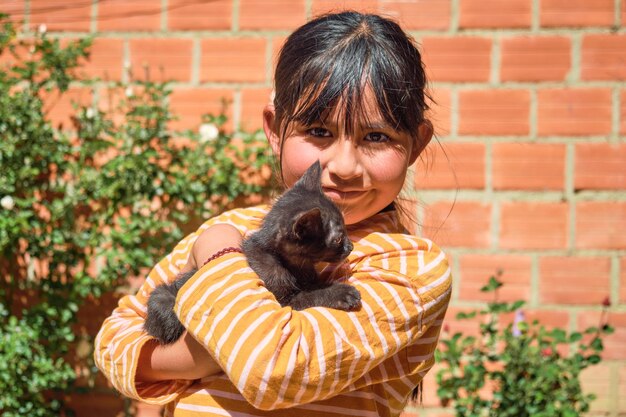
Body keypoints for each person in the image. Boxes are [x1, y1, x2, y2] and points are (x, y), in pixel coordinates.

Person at [94, 11, 451, 417]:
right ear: (274, 128)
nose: (345, 165)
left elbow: (273, 372)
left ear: (417, 144)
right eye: (319, 132)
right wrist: (204, 355)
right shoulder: (229, 228)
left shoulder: (410, 269)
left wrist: (215, 258)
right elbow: (114, 342)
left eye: (375, 136)